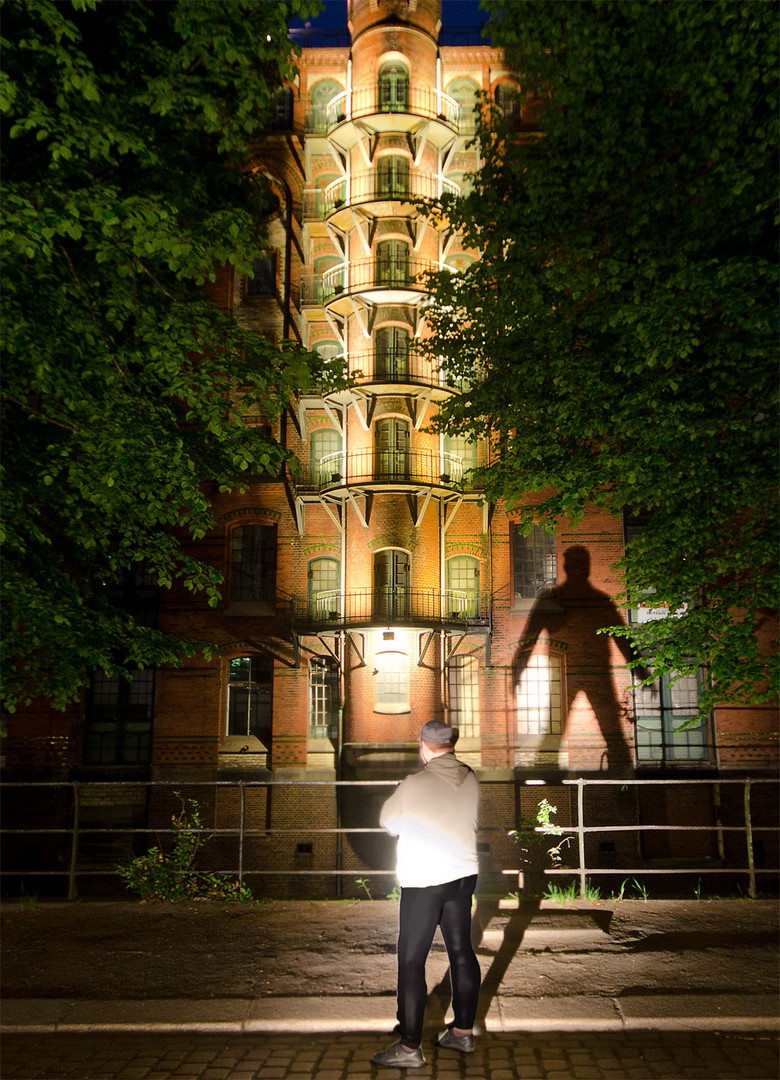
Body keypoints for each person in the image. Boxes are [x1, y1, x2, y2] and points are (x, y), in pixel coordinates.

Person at [372, 720, 481, 1070]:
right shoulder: (470, 778)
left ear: (423, 746)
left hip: (424, 883)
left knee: (411, 961)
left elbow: (388, 822)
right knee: (462, 951)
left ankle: (409, 1048)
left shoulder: (414, 784)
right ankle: (462, 1033)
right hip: (462, 877)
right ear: (452, 744)